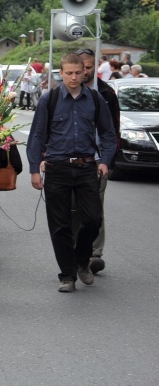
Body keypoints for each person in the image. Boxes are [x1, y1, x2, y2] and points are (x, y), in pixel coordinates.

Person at [27, 53, 116, 293]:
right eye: (69, 73)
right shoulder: (51, 99)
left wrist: (105, 161)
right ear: (61, 73)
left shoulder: (95, 99)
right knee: (60, 225)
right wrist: (35, 169)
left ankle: (81, 259)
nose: (74, 77)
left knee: (93, 218)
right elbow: (37, 136)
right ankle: (67, 275)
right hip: (57, 168)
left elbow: (108, 134)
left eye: (78, 72)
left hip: (87, 167)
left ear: (85, 72)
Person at [75, 49, 120, 275]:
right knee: (73, 210)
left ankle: (95, 254)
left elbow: (113, 130)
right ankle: (76, 252)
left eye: (89, 66)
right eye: (81, 65)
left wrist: (109, 161)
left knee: (95, 209)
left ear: (95, 67)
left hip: (97, 161)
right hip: (71, 161)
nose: (85, 70)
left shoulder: (106, 93)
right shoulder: (62, 92)